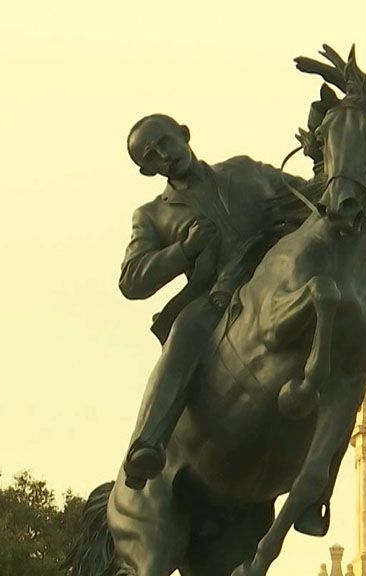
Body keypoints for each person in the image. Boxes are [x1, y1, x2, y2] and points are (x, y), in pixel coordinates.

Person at [119, 113, 314, 489]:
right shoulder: (152, 215)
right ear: (148, 171)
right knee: (184, 335)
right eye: (152, 156)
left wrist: (321, 156)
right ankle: (148, 441)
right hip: (216, 298)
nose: (164, 155)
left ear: (184, 133)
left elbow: (308, 194)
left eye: (165, 142)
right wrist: (182, 250)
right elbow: (131, 280)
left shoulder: (244, 172)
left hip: (275, 281)